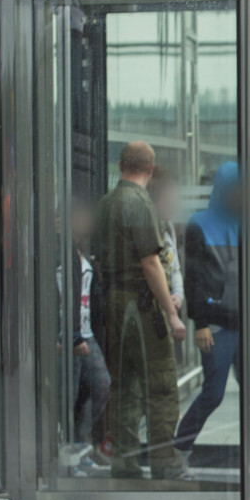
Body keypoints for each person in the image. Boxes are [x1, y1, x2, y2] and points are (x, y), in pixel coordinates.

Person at [94, 141, 189, 480]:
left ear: (120, 165)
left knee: (124, 384)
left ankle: (125, 459)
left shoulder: (105, 203)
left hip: (114, 303)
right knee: (161, 383)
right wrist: (173, 313)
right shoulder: (139, 203)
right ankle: (164, 462)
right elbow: (150, 263)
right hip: (142, 303)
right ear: (149, 169)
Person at [174, 162, 242, 467]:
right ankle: (179, 448)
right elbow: (194, 279)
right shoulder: (199, 224)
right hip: (216, 324)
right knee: (213, 393)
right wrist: (200, 323)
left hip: (248, 323)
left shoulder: (249, 221)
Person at [57, 200, 111, 469]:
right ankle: (68, 454)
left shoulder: (80, 248)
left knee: (102, 385)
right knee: (66, 395)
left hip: (86, 332)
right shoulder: (58, 250)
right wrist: (66, 334)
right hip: (68, 335)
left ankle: (79, 443)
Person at [148, 167, 185, 315]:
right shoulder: (149, 228)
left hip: (170, 306)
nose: (174, 204)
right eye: (168, 199)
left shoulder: (169, 227)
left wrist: (178, 295)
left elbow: (175, 268)